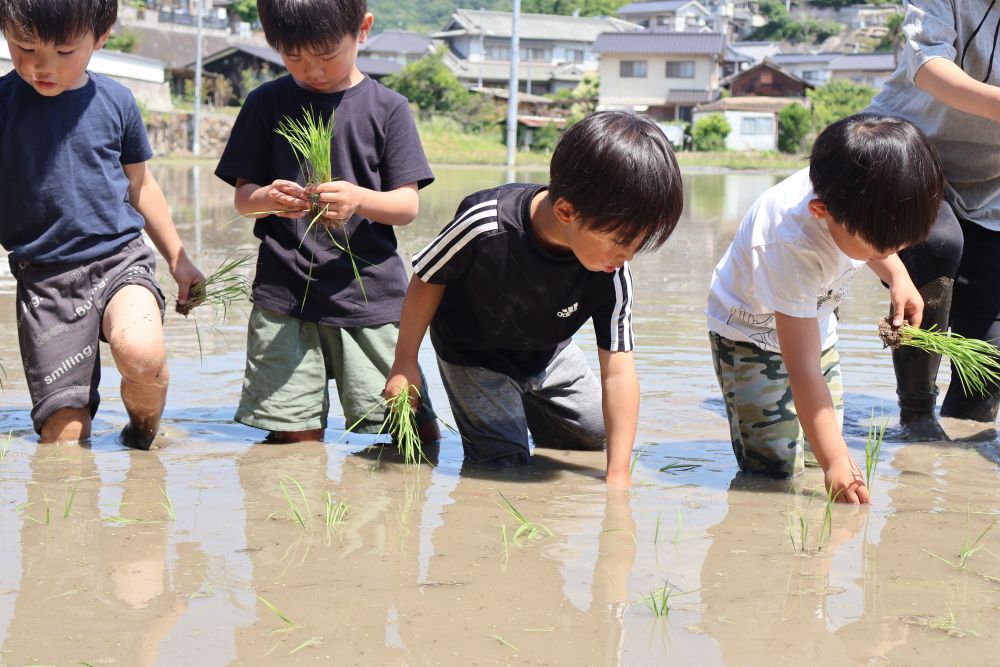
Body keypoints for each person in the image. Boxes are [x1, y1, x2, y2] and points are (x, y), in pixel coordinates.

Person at [384, 111, 684, 488]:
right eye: (623, 241)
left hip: (550, 353)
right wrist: (405, 361)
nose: (629, 257)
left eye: (638, 245)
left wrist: (618, 475)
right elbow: (427, 279)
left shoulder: (612, 270)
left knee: (597, 437)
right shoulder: (485, 224)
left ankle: (528, 405)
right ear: (566, 212)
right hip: (474, 354)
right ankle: (507, 413)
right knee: (502, 463)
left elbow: (619, 369)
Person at [215, 0, 439, 443]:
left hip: (368, 294)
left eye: (325, 56)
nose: (312, 71)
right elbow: (244, 199)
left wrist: (359, 200)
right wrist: (269, 199)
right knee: (292, 441)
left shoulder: (388, 108)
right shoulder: (266, 103)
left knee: (409, 431)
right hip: (284, 293)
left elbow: (406, 206)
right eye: (294, 58)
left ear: (363, 30)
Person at [706, 114, 944, 504]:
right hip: (748, 337)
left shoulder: (854, 198)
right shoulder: (790, 244)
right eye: (879, 248)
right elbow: (802, 371)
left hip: (813, 324)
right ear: (821, 212)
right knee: (775, 469)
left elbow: (874, 242)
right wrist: (837, 461)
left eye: (898, 246)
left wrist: (898, 277)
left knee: (823, 454)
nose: (889, 255)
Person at [0, 0, 203, 449]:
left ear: (102, 33)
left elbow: (141, 185)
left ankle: (143, 433)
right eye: (24, 47)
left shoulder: (116, 101)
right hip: (45, 279)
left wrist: (178, 258)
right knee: (64, 438)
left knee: (142, 353)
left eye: (65, 52)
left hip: (119, 260)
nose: (41, 67)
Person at [866, 0, 1000, 440]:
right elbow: (929, 66)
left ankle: (965, 439)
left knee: (988, 360)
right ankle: (917, 414)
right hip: (907, 150)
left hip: (990, 181)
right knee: (938, 242)